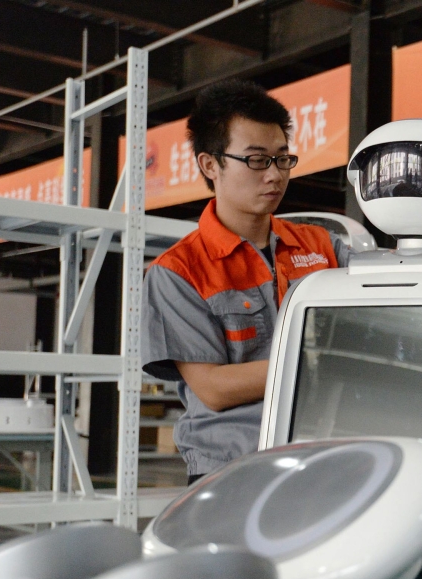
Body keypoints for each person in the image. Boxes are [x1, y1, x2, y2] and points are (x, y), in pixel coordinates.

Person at [141, 79, 351, 483]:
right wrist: (322, 360)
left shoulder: (323, 246)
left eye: (282, 159)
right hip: (231, 473)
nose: (274, 175)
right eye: (256, 160)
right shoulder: (179, 271)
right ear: (210, 165)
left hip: (322, 460)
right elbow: (214, 388)